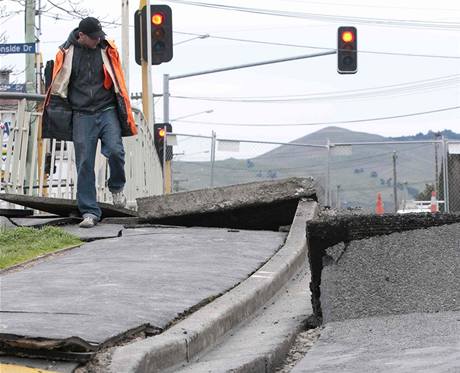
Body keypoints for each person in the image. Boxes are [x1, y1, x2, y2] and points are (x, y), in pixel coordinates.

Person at [42, 17, 137, 228]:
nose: (97, 40)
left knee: (115, 150)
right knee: (84, 162)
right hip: (81, 114)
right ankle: (89, 212)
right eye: (93, 37)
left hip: (107, 110)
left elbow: (118, 79)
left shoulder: (106, 49)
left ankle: (116, 187)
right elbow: (58, 86)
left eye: (99, 36)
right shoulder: (66, 53)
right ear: (81, 36)